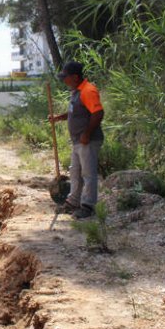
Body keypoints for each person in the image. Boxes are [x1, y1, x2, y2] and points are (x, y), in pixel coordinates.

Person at [49, 61, 104, 219]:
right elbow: (75, 113)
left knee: (88, 174)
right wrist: (59, 118)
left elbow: (98, 113)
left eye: (66, 77)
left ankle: (88, 206)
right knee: (75, 172)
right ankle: (73, 201)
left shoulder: (88, 90)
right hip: (78, 141)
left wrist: (87, 134)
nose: (64, 80)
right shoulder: (77, 91)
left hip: (88, 141)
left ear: (75, 76)